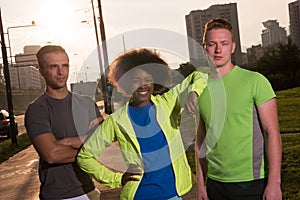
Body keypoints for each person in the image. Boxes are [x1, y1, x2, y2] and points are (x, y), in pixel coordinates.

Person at [76, 48, 208, 200]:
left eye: (148, 80)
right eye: (136, 80)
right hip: (140, 195)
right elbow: (84, 157)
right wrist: (116, 179)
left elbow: (200, 76)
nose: (143, 85)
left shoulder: (168, 103)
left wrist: (193, 93)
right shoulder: (116, 121)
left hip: (174, 194)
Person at [189, 18, 282, 200]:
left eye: (223, 44)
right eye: (212, 44)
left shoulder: (255, 81)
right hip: (215, 184)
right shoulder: (199, 88)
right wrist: (201, 186)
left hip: (251, 182)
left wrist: (274, 183)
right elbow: (200, 140)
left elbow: (272, 133)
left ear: (232, 47)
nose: (218, 50)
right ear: (204, 48)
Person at [25, 45, 103, 200]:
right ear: (41, 72)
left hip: (90, 191)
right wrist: (87, 143)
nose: (61, 72)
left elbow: (103, 142)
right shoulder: (37, 110)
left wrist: (67, 141)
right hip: (59, 195)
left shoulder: (86, 103)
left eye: (64, 66)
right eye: (53, 67)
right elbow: (52, 154)